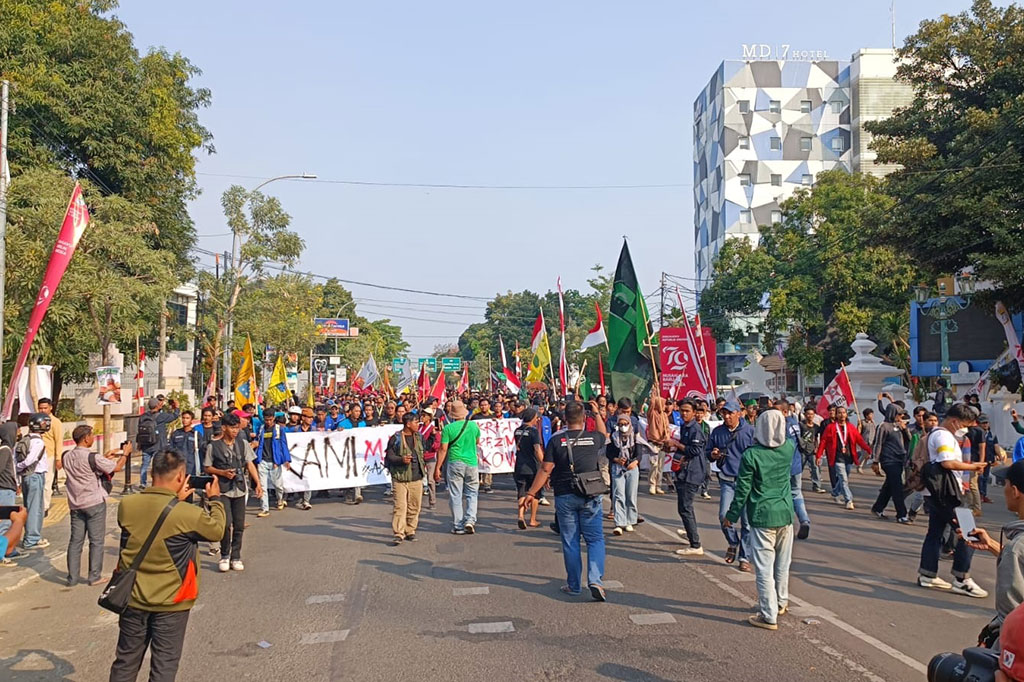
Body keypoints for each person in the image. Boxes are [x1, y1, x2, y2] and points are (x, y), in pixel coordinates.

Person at [108, 450, 226, 682]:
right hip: (172, 601)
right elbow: (217, 530)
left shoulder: (127, 505)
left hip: (132, 597)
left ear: (152, 472)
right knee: (164, 665)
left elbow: (153, 520)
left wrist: (174, 501)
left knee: (126, 661)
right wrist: (215, 500)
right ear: (182, 477)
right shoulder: (189, 514)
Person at [520, 401, 609, 601]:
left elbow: (545, 469)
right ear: (584, 418)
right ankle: (595, 580)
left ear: (565, 419)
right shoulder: (593, 438)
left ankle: (574, 585)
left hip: (565, 495)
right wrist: (596, 413)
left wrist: (531, 493)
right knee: (595, 539)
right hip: (590, 494)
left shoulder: (556, 440)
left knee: (571, 541)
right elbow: (604, 434)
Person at [725, 409, 796, 631]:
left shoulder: (751, 455)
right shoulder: (788, 448)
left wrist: (731, 516)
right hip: (785, 513)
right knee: (782, 564)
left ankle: (768, 614)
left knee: (764, 568)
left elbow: (743, 489)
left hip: (762, 514)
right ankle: (781, 602)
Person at [918, 403, 990, 597]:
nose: (965, 429)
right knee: (969, 532)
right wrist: (973, 466)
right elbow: (947, 462)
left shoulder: (940, 434)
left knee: (935, 533)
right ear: (954, 421)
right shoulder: (943, 436)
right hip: (948, 493)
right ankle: (962, 579)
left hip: (938, 492)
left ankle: (928, 573)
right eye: (964, 424)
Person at [961, 460, 1024, 650]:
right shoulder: (1015, 550)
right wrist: (993, 546)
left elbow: (1012, 620)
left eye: (1005, 483)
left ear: (1014, 491)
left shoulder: (1017, 549)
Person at [62, 424, 129, 585]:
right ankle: (94, 576)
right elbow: (117, 468)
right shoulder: (92, 456)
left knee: (75, 541)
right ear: (86, 438)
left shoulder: (66, 456)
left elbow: (90, 466)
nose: (92, 438)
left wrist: (107, 456)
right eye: (91, 435)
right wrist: (125, 454)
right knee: (96, 540)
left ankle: (72, 578)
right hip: (94, 502)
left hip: (75, 503)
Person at [202, 412, 261, 572]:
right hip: (222, 489)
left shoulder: (242, 444)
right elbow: (207, 467)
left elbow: (250, 464)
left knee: (239, 524)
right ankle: (225, 555)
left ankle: (236, 556)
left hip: (240, 489)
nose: (235, 431)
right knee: (226, 523)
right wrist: (222, 473)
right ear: (224, 428)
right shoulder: (213, 446)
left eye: (236, 428)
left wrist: (258, 483)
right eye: (232, 428)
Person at [707, 400, 756, 569]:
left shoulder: (750, 432)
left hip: (746, 482)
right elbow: (708, 452)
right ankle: (732, 542)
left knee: (747, 523)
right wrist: (713, 454)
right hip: (727, 480)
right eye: (724, 413)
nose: (727, 416)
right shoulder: (718, 432)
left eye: (730, 413)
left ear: (739, 413)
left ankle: (744, 557)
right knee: (724, 515)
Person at [434, 400, 482, 535]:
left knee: (456, 494)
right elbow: (478, 441)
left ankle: (458, 525)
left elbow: (443, 449)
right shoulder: (473, 426)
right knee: (472, 493)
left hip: (455, 462)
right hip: (472, 462)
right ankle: (470, 520)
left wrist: (438, 467)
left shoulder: (448, 429)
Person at [815, 406, 872, 510]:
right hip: (837, 457)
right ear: (836, 415)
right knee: (844, 479)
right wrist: (818, 455)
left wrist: (868, 450)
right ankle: (849, 500)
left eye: (844, 413)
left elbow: (859, 440)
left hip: (849, 457)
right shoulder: (831, 427)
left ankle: (835, 492)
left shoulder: (850, 427)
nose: (842, 415)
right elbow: (823, 441)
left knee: (844, 478)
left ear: (846, 414)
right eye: (839, 413)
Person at [672, 399, 708, 557]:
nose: (684, 413)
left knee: (685, 508)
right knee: (685, 508)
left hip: (692, 472)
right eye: (682, 410)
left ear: (694, 412)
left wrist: (677, 444)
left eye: (687, 411)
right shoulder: (685, 426)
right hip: (684, 471)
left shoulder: (695, 429)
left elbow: (694, 450)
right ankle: (690, 533)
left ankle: (695, 544)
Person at [385, 412, 427, 545]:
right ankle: (398, 533)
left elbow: (428, 449)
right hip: (400, 478)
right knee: (400, 506)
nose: (418, 425)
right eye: (416, 422)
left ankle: (410, 530)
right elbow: (389, 457)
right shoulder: (395, 438)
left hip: (416, 477)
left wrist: (435, 435)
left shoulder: (419, 437)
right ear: (408, 424)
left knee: (414, 506)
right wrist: (401, 460)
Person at [870, 405, 913, 524]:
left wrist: (904, 429)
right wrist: (875, 461)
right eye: (899, 414)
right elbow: (878, 444)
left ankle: (878, 508)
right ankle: (901, 514)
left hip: (900, 459)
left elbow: (909, 440)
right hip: (888, 460)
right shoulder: (884, 426)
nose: (901, 417)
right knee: (897, 487)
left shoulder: (899, 426)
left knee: (889, 485)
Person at [16, 412, 51, 550]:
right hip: (35, 476)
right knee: (35, 508)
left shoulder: (26, 439)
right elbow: (30, 460)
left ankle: (30, 536)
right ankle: (32, 539)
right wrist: (21, 467)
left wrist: (19, 471)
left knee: (29, 506)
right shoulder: (38, 442)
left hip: (26, 476)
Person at [607, 414, 641, 535]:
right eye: (620, 424)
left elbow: (639, 453)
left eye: (625, 424)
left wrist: (635, 462)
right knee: (618, 495)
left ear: (629, 424)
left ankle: (630, 521)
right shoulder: (613, 437)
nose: (623, 427)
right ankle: (619, 522)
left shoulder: (635, 437)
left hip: (632, 468)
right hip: (618, 469)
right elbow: (609, 453)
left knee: (631, 495)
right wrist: (617, 460)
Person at [137, 397, 180, 489]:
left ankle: (143, 483)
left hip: (146, 444)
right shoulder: (161, 416)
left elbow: (139, 431)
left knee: (145, 464)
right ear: (157, 405)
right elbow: (175, 416)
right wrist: (176, 407)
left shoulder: (143, 416)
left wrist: (139, 443)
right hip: (158, 445)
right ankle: (156, 482)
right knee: (158, 465)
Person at [513, 408, 544, 529]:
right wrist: (543, 463)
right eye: (536, 417)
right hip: (532, 466)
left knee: (521, 491)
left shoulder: (517, 431)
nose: (537, 419)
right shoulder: (533, 432)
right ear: (532, 418)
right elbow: (537, 449)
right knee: (534, 492)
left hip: (519, 465)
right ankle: (532, 519)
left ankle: (521, 516)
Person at [256, 413, 289, 517]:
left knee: (278, 485)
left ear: (273, 418)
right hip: (262, 461)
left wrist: (286, 459)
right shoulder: (261, 429)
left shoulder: (279, 429)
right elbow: (258, 442)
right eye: (266, 420)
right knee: (263, 486)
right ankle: (265, 508)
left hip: (275, 461)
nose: (268, 422)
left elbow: (284, 444)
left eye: (270, 419)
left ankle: (280, 499)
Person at [38, 397, 63, 506]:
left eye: (45, 408)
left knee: (47, 483)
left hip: (49, 456)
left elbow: (59, 441)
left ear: (51, 408)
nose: (43, 410)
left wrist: (58, 458)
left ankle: (45, 506)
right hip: (36, 457)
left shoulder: (56, 422)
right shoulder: (36, 420)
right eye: (40, 408)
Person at [646, 396, 670, 496]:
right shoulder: (652, 414)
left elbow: (667, 428)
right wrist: (654, 390)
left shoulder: (664, 416)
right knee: (654, 465)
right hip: (653, 443)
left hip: (662, 444)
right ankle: (652, 484)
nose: (663, 406)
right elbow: (651, 404)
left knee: (660, 466)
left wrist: (667, 435)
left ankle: (658, 485)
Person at [0, 422, 19, 544]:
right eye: (16, 432)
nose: (18, 434)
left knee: (8, 521)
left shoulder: (7, 450)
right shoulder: (5, 450)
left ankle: (7, 549)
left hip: (8, 488)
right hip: (5, 490)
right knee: (5, 522)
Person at [798, 407, 825, 493]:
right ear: (805, 415)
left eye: (812, 414)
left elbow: (816, 438)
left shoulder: (816, 427)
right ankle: (796, 485)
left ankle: (816, 486)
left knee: (815, 468)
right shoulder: (801, 425)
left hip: (812, 451)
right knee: (799, 468)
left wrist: (817, 448)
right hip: (801, 450)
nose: (810, 416)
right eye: (808, 414)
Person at [168, 411, 202, 477]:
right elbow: (170, 449)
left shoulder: (196, 434)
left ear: (191, 420)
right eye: (183, 418)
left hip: (191, 467)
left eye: (187, 418)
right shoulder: (176, 433)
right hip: (177, 465)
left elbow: (200, 450)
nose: (185, 420)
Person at [859, 408, 877, 474]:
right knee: (864, 454)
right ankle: (859, 466)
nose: (872, 415)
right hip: (864, 441)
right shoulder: (862, 422)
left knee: (870, 455)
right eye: (870, 414)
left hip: (872, 441)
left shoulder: (873, 422)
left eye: (872, 414)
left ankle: (863, 466)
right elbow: (859, 431)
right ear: (866, 415)